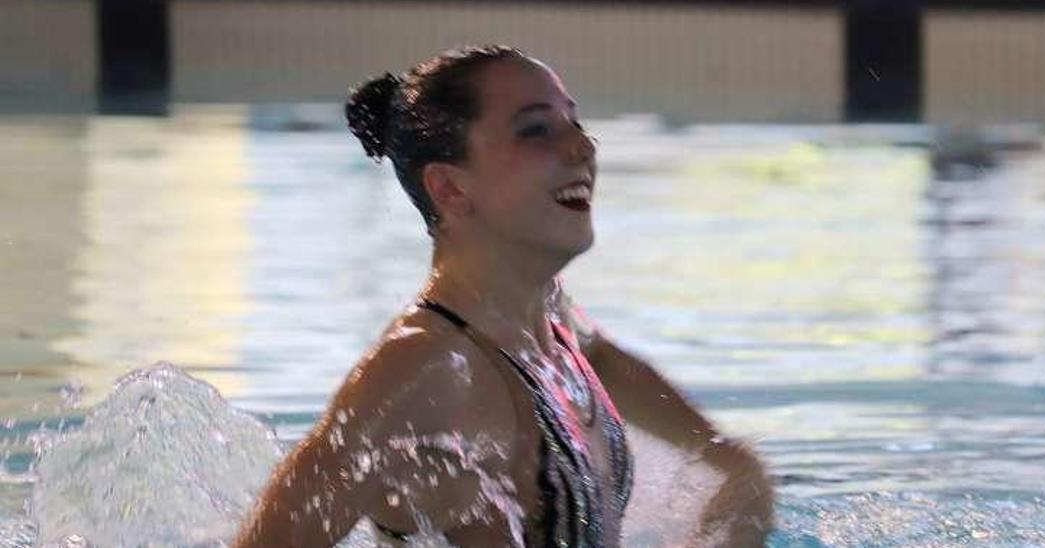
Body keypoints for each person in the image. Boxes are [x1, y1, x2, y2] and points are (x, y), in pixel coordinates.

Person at [234, 44, 774, 547]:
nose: (583, 145)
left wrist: (724, 459)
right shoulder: (418, 371)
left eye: (574, 121)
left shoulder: (545, 315)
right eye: (536, 130)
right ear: (449, 187)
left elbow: (602, 358)